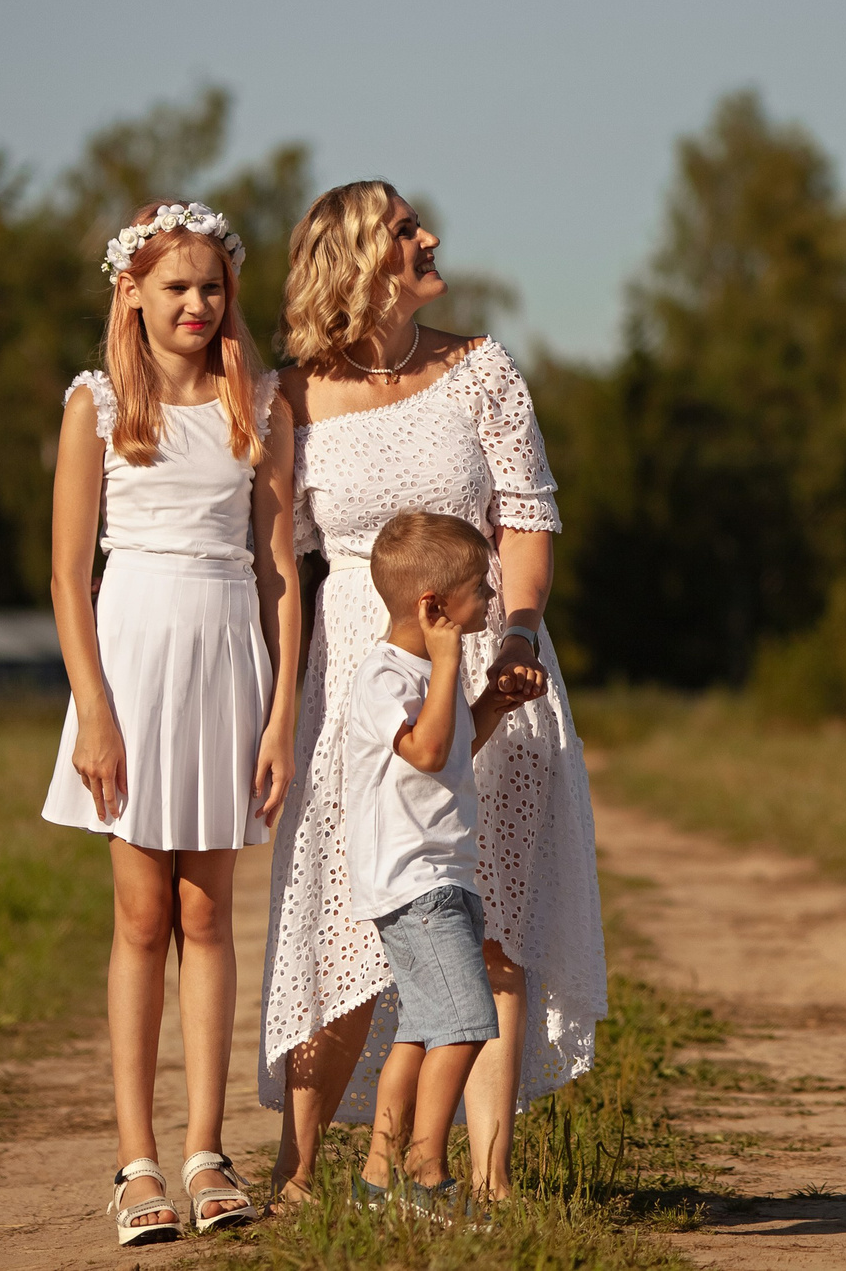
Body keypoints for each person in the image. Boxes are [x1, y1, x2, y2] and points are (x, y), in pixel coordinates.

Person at [259, 182, 607, 1205]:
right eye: (406, 230)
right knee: (337, 920)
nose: (431, 239)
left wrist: (524, 630)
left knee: (486, 917)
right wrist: (276, 701)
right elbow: (280, 565)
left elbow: (527, 517)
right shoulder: (289, 396)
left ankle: (484, 1177)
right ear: (355, 259)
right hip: (352, 682)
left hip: (488, 658)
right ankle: (301, 1169)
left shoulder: (481, 370)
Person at [41, 200, 299, 1244]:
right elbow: (66, 575)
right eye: (175, 286)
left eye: (212, 285)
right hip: (135, 662)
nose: (197, 303)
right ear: (132, 295)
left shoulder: (263, 399)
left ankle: (205, 1147)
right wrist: (93, 710)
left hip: (228, 655)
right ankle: (135, 1159)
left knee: (209, 914)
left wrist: (282, 712)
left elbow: (282, 568)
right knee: (142, 916)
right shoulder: (97, 404)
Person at [343, 510, 527, 1215]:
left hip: (441, 874)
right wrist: (450, 667)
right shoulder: (386, 676)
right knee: (468, 1022)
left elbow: (451, 746)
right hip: (415, 883)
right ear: (434, 606)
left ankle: (376, 1179)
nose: (488, 599)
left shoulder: (426, 672)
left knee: (421, 1030)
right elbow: (421, 749)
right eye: (480, 588)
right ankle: (426, 1171)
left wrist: (492, 703)